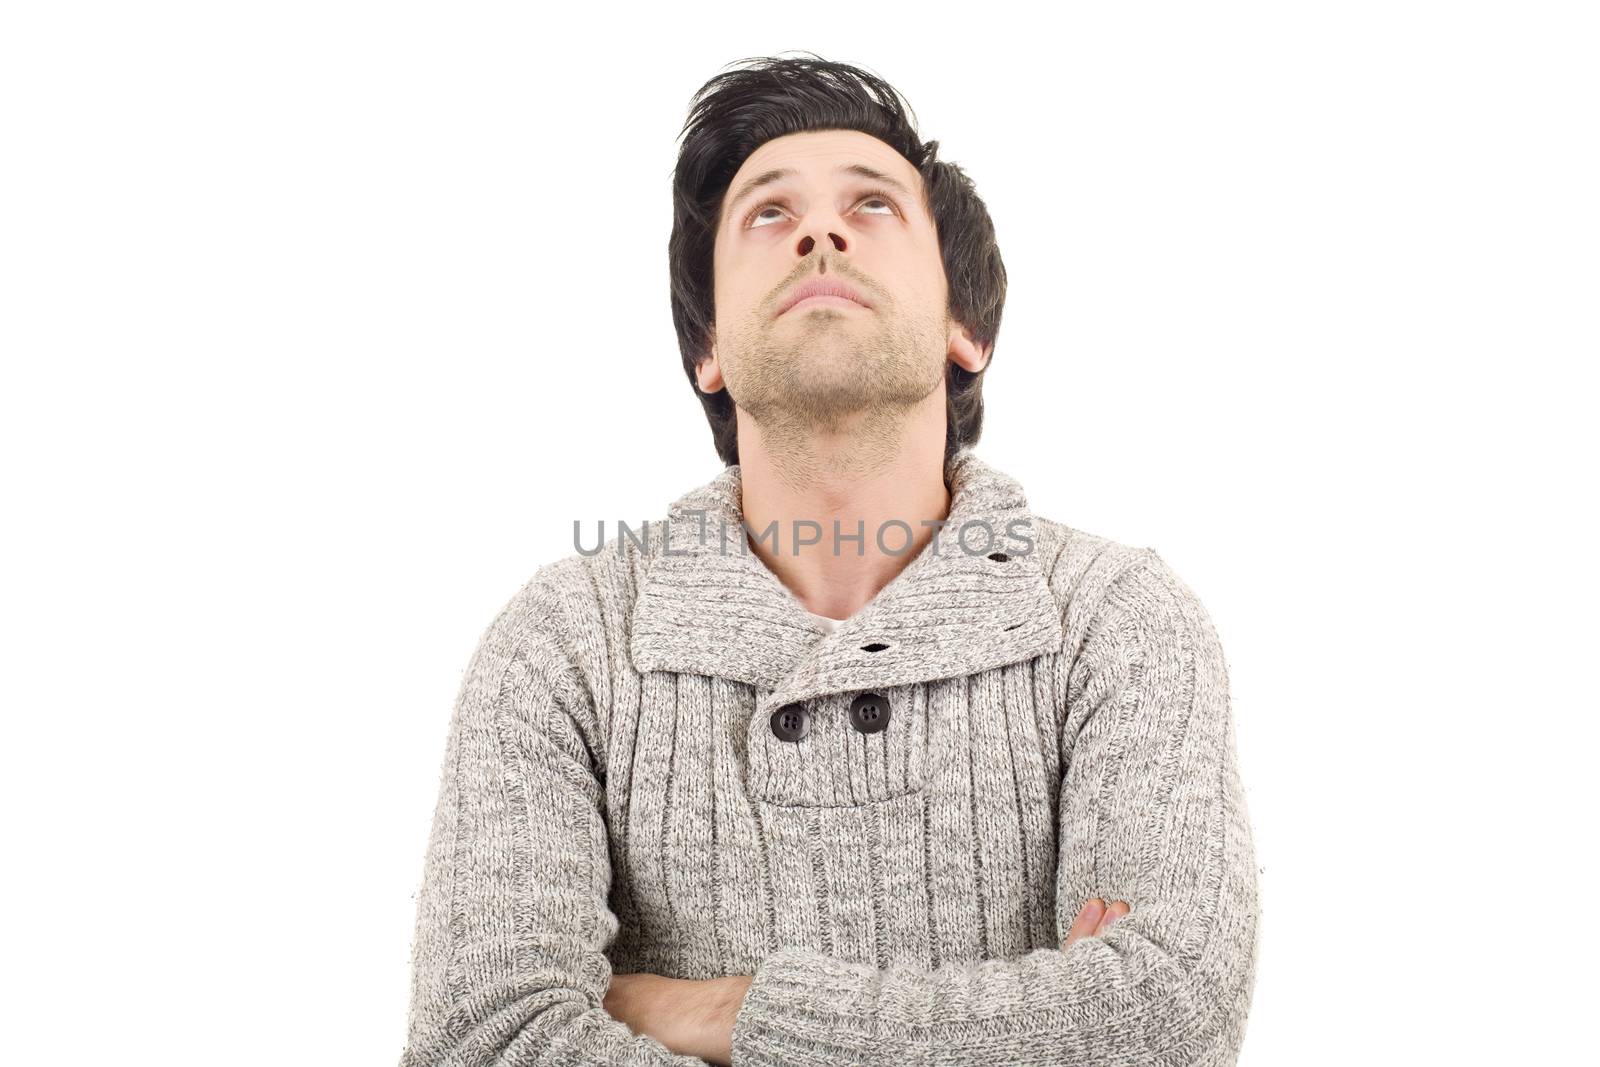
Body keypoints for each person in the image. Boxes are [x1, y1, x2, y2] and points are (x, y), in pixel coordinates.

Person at [398, 52, 1260, 1066]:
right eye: (768, 213)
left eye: (874, 204)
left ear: (963, 327)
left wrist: (727, 1011)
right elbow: (484, 1038)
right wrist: (1036, 1022)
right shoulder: (564, 643)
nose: (819, 230)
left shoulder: (1116, 620)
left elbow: (1167, 1015)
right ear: (707, 351)